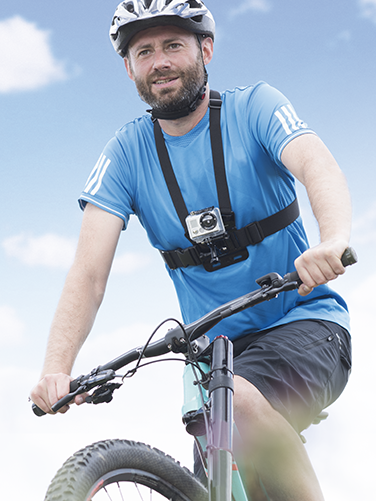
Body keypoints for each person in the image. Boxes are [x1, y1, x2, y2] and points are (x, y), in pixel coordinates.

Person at [31, 1, 353, 500]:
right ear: (129, 67)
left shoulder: (256, 108)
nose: (159, 60)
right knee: (216, 482)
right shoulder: (124, 154)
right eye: (144, 51)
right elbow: (88, 273)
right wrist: (57, 367)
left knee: (238, 401)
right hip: (208, 355)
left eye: (173, 45)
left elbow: (318, 166)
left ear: (205, 49)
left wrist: (331, 240)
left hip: (302, 322)